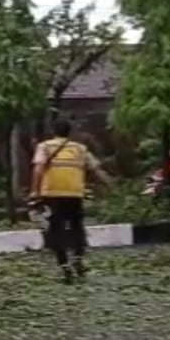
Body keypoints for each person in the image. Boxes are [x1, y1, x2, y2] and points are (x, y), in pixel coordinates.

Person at [30, 119, 111, 284]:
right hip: (75, 194)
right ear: (69, 132)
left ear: (53, 131)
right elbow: (96, 170)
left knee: (56, 230)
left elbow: (38, 169)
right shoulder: (80, 149)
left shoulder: (45, 147)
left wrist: (34, 190)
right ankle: (78, 258)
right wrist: (111, 185)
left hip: (52, 194)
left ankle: (64, 265)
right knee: (77, 227)